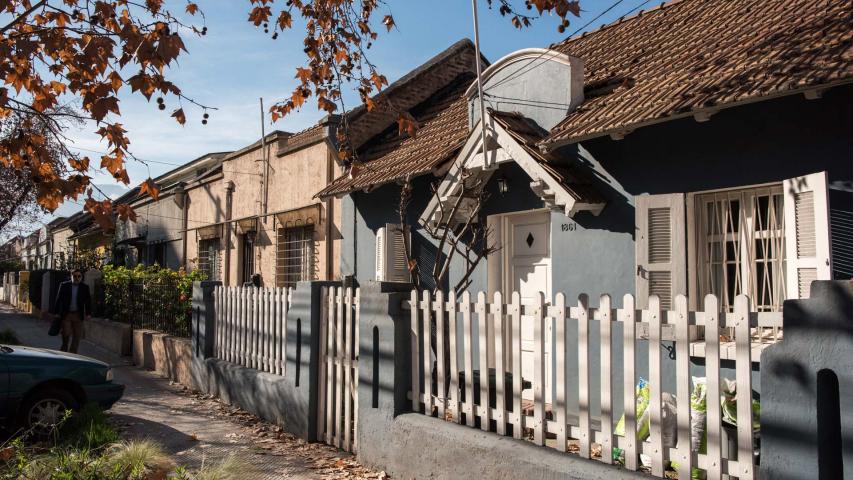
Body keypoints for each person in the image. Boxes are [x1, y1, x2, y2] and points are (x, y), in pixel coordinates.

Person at [54, 269, 92, 353]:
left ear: (81, 277)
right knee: (66, 333)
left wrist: (88, 313)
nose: (77, 278)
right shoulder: (64, 285)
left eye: (79, 276)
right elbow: (58, 299)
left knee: (77, 336)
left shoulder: (85, 287)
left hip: (78, 315)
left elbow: (88, 301)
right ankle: (64, 349)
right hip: (67, 314)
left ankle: (73, 354)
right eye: (75, 276)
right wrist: (56, 312)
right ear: (71, 276)